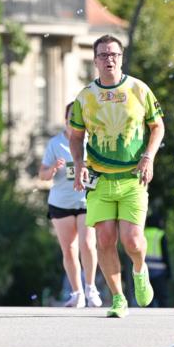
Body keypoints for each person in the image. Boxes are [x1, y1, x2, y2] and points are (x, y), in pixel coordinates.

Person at [69, 35, 164, 319]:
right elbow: (75, 136)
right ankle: (118, 297)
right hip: (100, 179)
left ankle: (140, 269)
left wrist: (148, 157)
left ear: (121, 58)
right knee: (105, 240)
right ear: (95, 61)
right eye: (103, 55)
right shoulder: (85, 97)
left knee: (132, 241)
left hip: (133, 177)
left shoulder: (139, 89)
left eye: (114, 54)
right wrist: (79, 163)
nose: (109, 59)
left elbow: (157, 126)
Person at [39, 103, 101, 308]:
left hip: (86, 201)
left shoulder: (92, 142)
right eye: (70, 120)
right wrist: (52, 169)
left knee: (88, 244)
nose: (73, 124)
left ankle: (91, 288)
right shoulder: (55, 143)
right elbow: (42, 175)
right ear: (65, 120)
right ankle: (77, 293)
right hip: (60, 203)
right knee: (69, 249)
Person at [144, 214, 172, 308]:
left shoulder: (142, 233)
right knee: (162, 298)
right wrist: (169, 270)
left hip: (144, 271)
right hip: (159, 271)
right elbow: (165, 254)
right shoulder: (160, 234)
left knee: (147, 298)